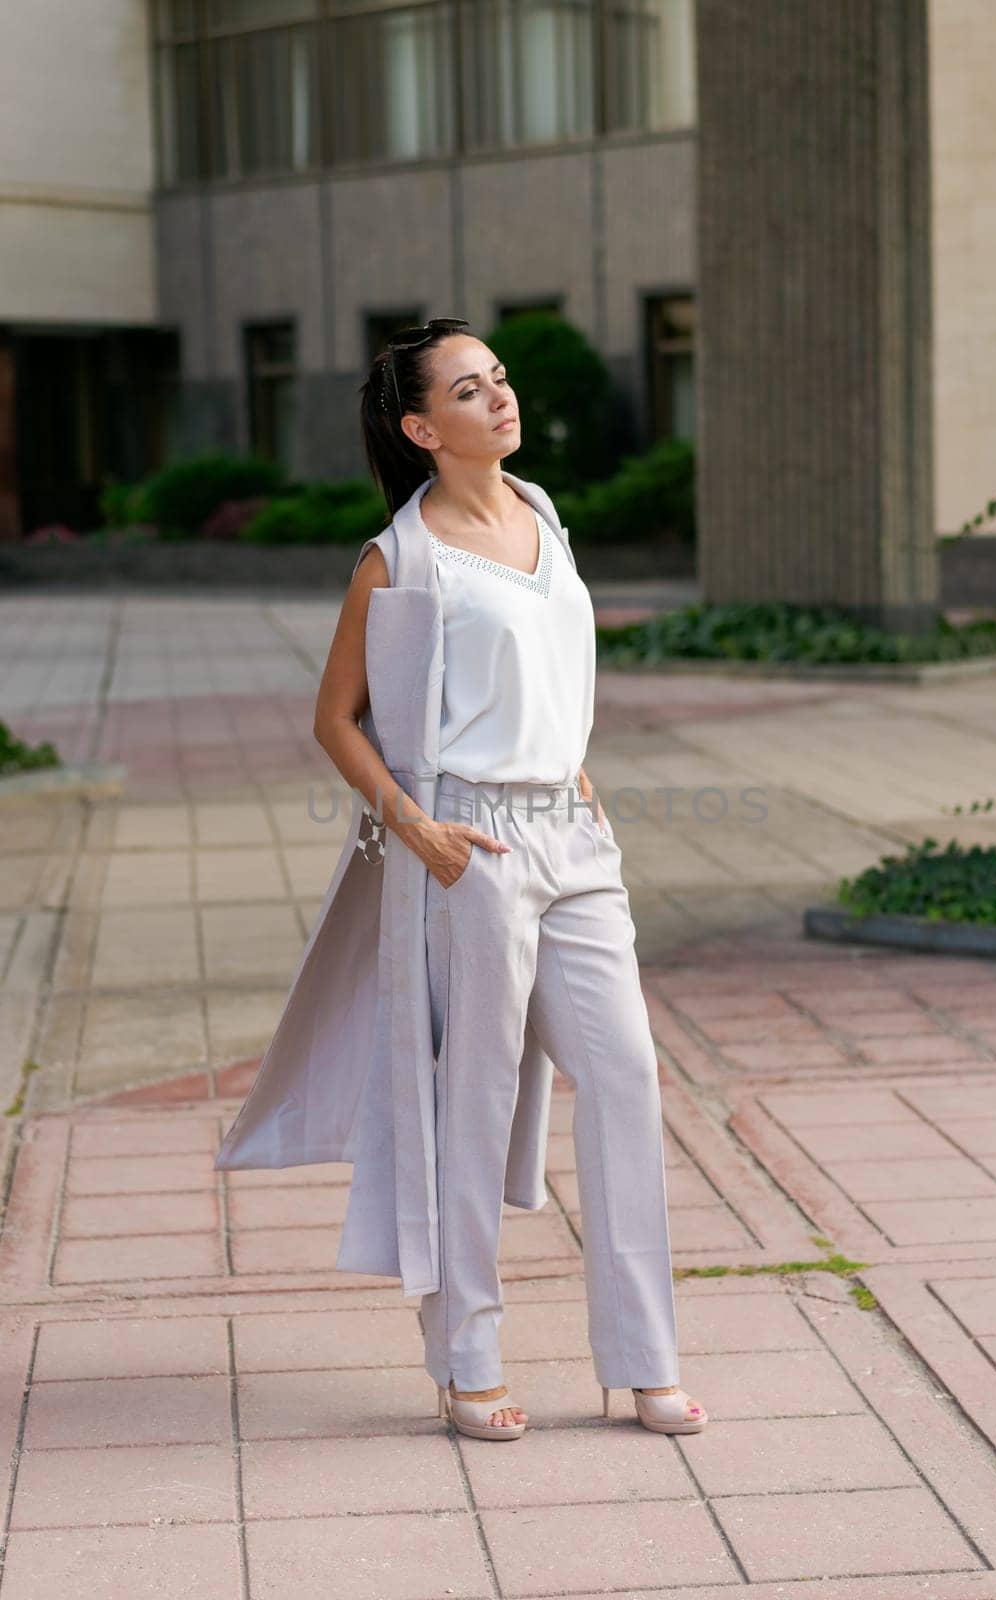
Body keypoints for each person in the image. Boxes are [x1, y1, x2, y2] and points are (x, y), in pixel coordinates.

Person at [312, 316, 707, 1442]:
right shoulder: (402, 556)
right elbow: (335, 720)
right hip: (468, 845)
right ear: (420, 426)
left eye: (500, 380)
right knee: (471, 1098)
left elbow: (548, 661)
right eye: (469, 390)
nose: (499, 399)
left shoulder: (539, 513)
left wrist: (572, 767)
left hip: (573, 841)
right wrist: (419, 830)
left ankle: (642, 1357)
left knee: (625, 1075)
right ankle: (465, 1356)